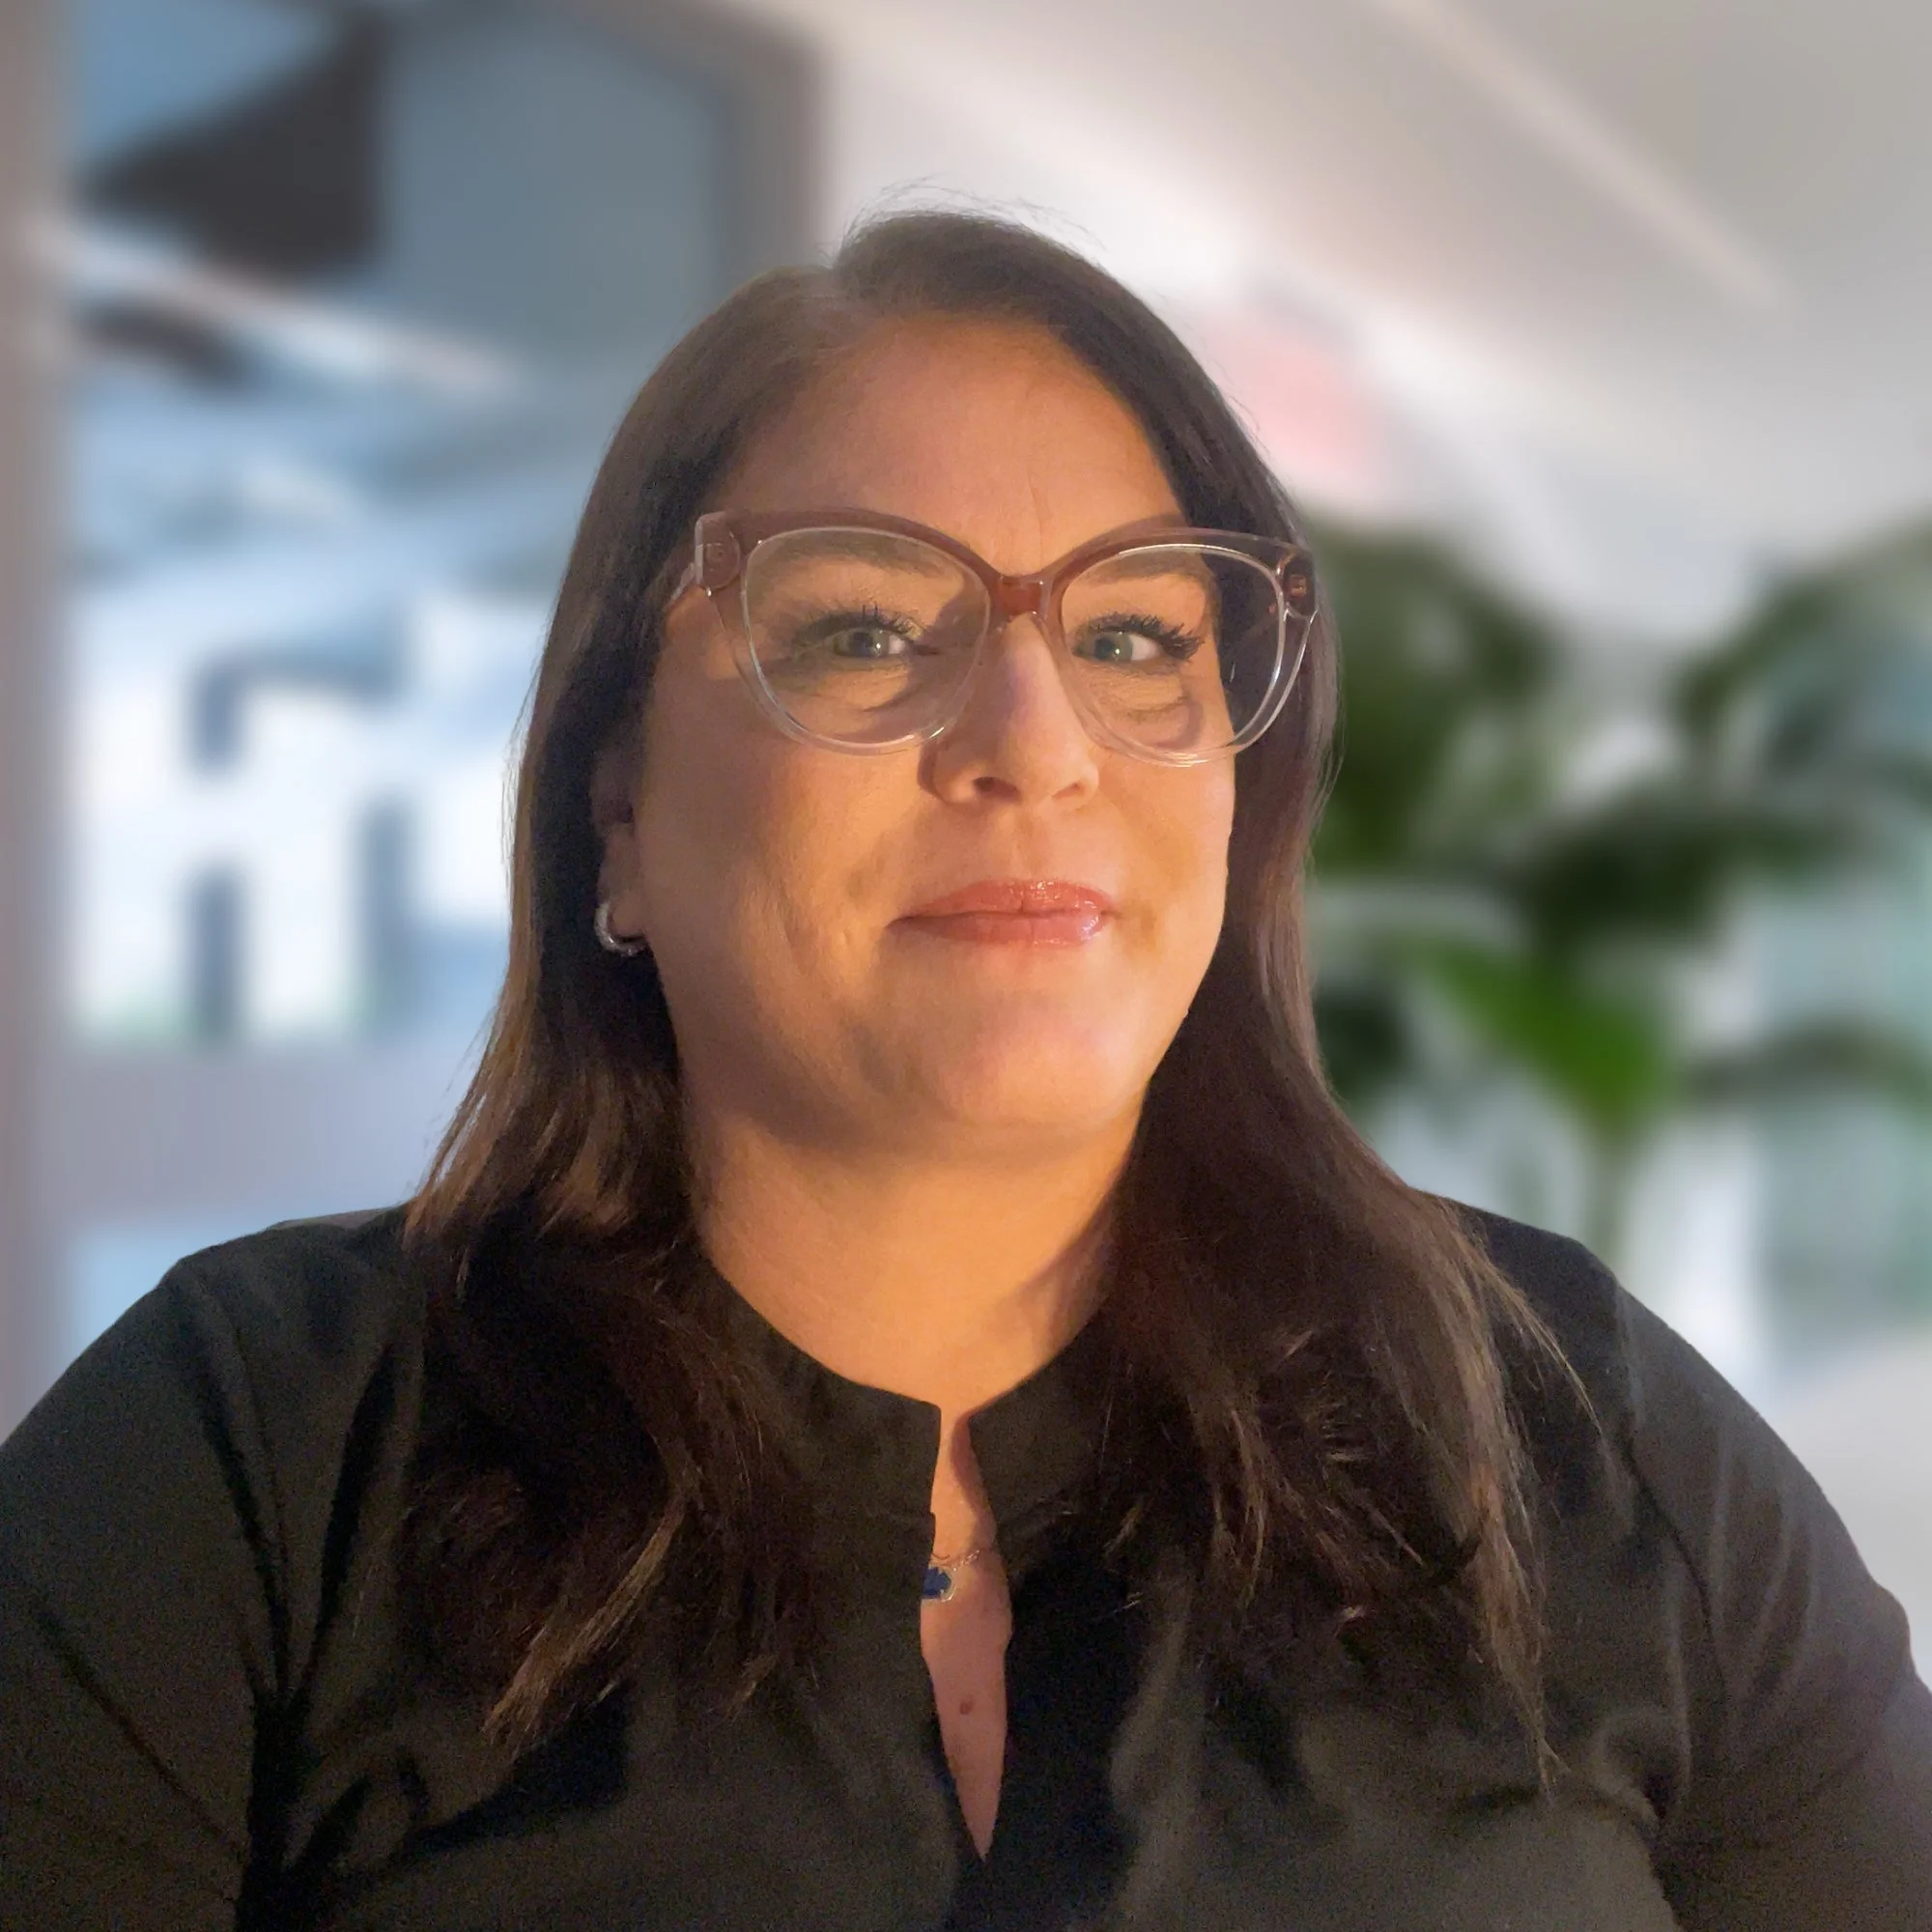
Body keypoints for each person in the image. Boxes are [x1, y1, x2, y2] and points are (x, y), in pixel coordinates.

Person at [2, 212, 1927, 1932]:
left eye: (1128, 634)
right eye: (860, 628)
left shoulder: (1571, 1432)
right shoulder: (248, 1466)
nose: (1032, 737)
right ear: (617, 814)